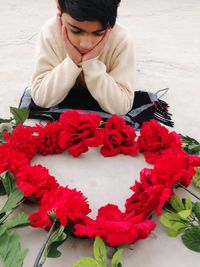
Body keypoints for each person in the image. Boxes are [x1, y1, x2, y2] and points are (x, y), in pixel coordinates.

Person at [30, 0, 135, 115]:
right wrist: (72, 61)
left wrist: (91, 64)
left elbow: (121, 106)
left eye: (99, 33)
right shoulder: (50, 32)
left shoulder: (121, 39)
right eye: (75, 30)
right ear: (59, 7)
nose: (86, 44)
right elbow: (41, 98)